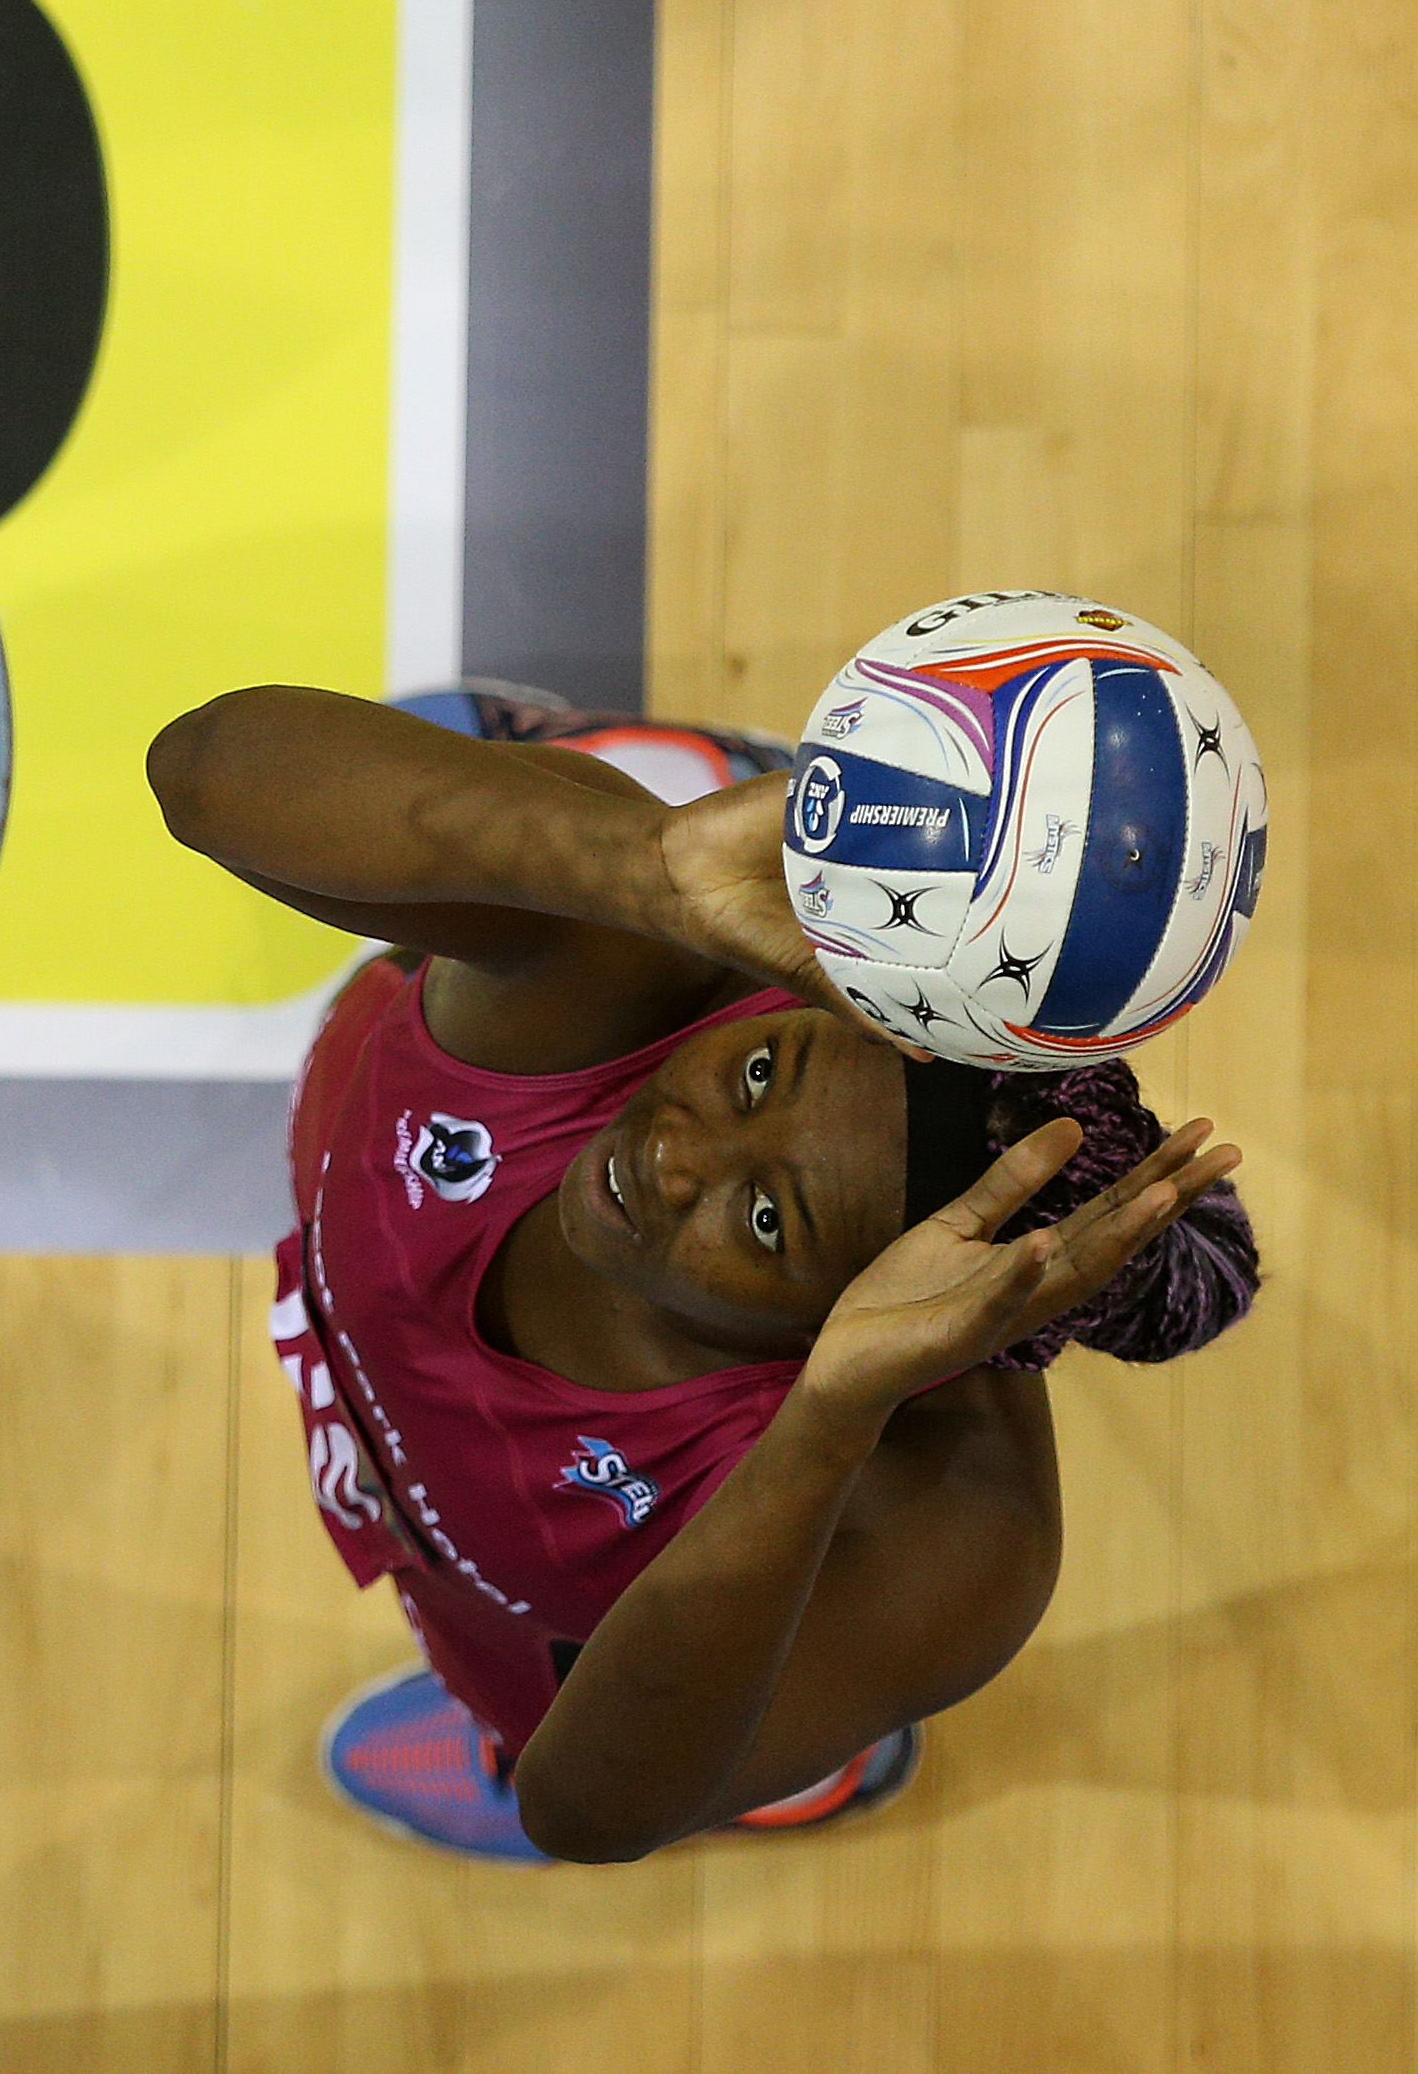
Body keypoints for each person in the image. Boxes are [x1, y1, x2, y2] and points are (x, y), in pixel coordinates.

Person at [147, 683, 1259, 1863]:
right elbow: (198, 767)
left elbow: (585, 1811)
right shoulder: (628, 973)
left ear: (859, 1318)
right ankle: (607, 789)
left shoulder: (953, 1536)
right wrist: (634, 865)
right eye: (759, 1072)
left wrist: (829, 1419)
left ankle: (791, 1740)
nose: (672, 1150)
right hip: (380, 1141)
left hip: (531, 1613)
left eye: (769, 1221)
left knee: (619, 1724)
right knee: (506, 865)